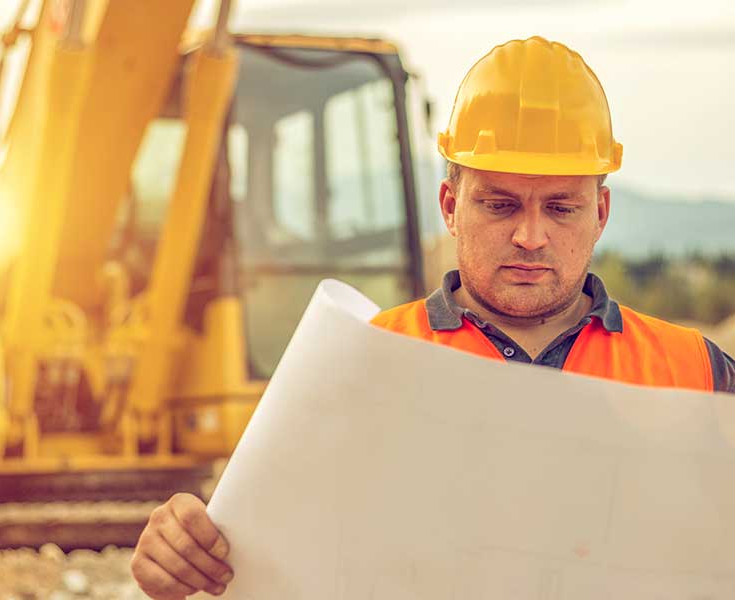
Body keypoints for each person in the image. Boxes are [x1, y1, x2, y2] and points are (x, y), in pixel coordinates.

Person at [130, 35, 735, 599]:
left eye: (561, 207)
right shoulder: (358, 365)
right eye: (500, 204)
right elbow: (261, 558)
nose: (530, 235)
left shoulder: (698, 377)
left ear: (600, 212)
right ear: (451, 204)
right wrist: (180, 553)